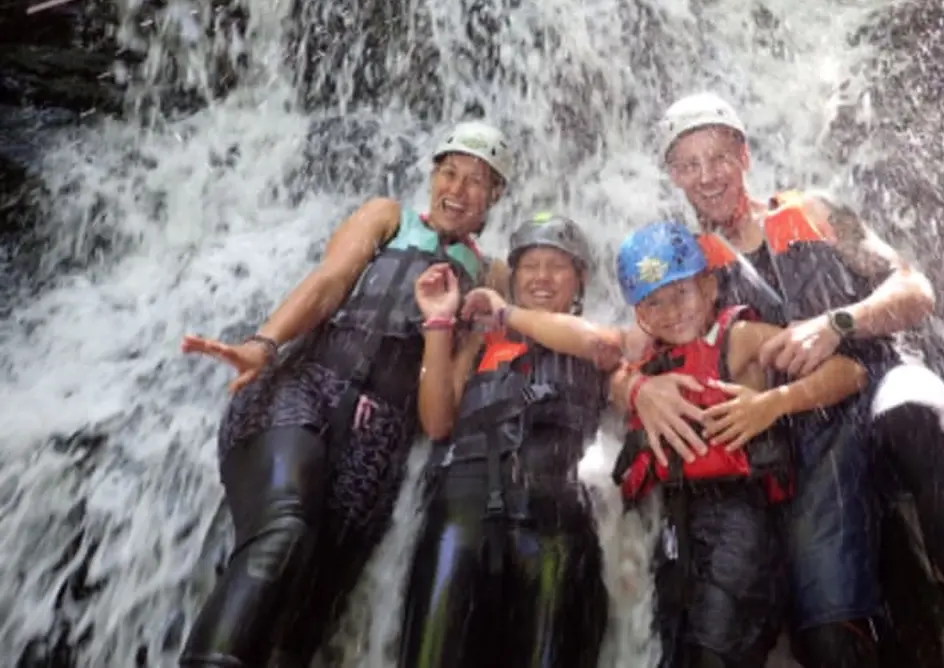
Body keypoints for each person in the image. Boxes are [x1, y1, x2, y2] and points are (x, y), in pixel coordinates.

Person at [618, 92, 944, 667]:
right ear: (673, 175)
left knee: (919, 408)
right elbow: (624, 350)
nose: (707, 176)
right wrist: (638, 389)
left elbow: (914, 288)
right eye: (688, 164)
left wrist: (842, 322)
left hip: (879, 380)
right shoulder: (690, 264)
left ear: (745, 155)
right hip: (803, 437)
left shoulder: (813, 210)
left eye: (718, 156)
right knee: (826, 625)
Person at [177, 121, 513, 668]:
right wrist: (264, 344)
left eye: (478, 181)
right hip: (304, 389)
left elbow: (439, 419)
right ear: (432, 176)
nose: (459, 188)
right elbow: (330, 282)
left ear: (496, 195)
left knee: (307, 614)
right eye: (449, 172)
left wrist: (440, 324)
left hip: (380, 445)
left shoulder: (491, 274)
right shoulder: (387, 216)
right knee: (284, 530)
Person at [613, 220, 870, 668]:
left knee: (714, 651)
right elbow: (610, 373)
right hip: (676, 528)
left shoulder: (741, 338)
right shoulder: (647, 359)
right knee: (676, 651)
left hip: (741, 520)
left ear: (710, 286)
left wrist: (774, 403)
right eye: (655, 302)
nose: (672, 311)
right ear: (641, 315)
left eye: (682, 293)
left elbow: (849, 373)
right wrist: (635, 387)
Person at [398, 213, 616, 668]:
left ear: (580, 280)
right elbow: (438, 421)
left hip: (556, 508)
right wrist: (439, 324)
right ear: (512, 277)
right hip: (464, 504)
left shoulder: (595, 341)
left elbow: (604, 346)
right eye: (530, 265)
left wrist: (507, 313)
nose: (541, 276)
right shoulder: (480, 342)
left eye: (557, 265)